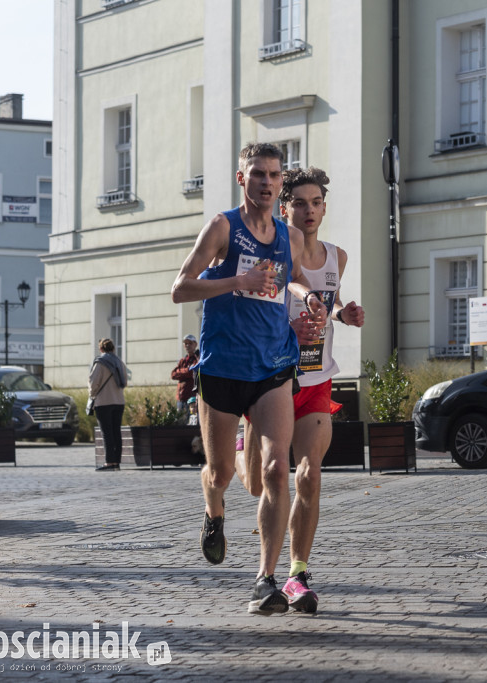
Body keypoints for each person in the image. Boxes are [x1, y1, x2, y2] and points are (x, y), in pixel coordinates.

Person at [170, 142, 325, 616]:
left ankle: (265, 579)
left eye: (274, 175)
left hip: (273, 368)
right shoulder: (222, 227)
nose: (266, 181)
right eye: (257, 173)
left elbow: (292, 276)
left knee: (278, 470)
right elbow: (181, 288)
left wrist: (310, 298)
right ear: (243, 179)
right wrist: (235, 282)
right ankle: (214, 509)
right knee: (220, 474)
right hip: (221, 368)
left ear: (281, 183)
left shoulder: (288, 236)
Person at [236, 167, 365, 614]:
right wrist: (289, 325)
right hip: (272, 380)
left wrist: (342, 315)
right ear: (285, 207)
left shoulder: (337, 257)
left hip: (315, 381)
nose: (309, 211)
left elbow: (323, 309)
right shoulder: (274, 251)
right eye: (301, 204)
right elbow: (255, 310)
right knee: (259, 482)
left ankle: (291, 575)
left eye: (317, 202)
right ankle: (239, 443)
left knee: (308, 475)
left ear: (324, 207)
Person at [89, 338, 128, 472]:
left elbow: (93, 383)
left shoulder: (100, 363)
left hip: (103, 402)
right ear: (113, 348)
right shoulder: (119, 362)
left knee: (107, 433)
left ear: (101, 349)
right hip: (119, 401)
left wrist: (92, 394)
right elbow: (125, 381)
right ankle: (116, 462)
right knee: (117, 432)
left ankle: (109, 462)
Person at [171, 334, 200, 415]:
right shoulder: (183, 361)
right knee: (181, 424)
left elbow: (192, 372)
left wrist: (181, 372)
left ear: (195, 344)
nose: (187, 345)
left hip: (192, 399)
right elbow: (173, 374)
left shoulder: (197, 359)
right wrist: (186, 370)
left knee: (192, 423)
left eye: (190, 343)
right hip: (180, 398)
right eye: (186, 343)